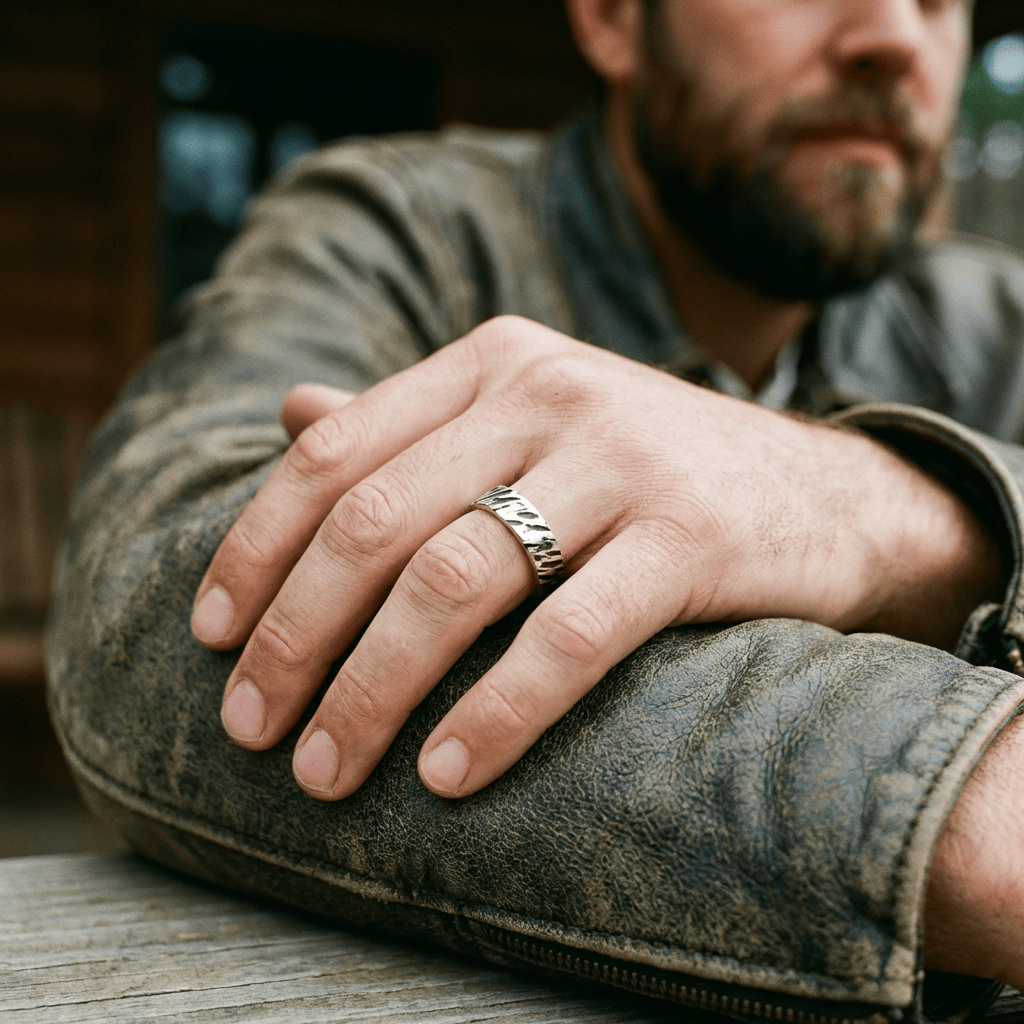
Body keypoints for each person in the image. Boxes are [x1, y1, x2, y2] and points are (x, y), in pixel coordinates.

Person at [48, 0, 1024, 1018]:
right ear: (610, 19)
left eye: (940, 1)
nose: (893, 37)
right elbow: (159, 604)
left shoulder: (995, 321)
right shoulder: (396, 233)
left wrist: (903, 515)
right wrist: (962, 806)